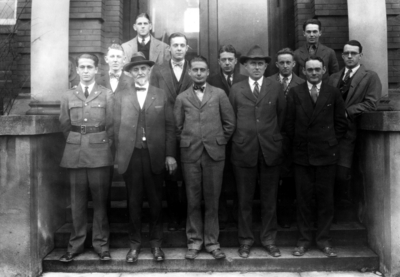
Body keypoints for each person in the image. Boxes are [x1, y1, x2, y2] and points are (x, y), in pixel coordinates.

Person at [113, 52, 177, 263]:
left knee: (156, 201)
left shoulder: (160, 94)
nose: (140, 72)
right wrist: (119, 155)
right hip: (131, 156)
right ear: (130, 73)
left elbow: (170, 126)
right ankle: (134, 245)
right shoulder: (121, 95)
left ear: (149, 71)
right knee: (133, 201)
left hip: (155, 155)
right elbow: (115, 127)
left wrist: (169, 154)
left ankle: (156, 244)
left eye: (143, 69)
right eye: (135, 69)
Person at [174, 55, 235, 260]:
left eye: (202, 70)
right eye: (195, 70)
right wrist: (189, 141)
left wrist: (218, 140)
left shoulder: (219, 94)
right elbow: (177, 127)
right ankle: (194, 242)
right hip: (190, 154)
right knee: (192, 200)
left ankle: (212, 242)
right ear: (190, 72)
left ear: (208, 72)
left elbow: (229, 123)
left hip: (214, 155)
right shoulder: (182, 97)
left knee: (212, 200)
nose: (199, 73)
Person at [285, 56, 347, 257]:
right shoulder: (295, 93)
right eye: (310, 70)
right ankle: (303, 241)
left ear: (323, 71)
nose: (313, 73)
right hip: (302, 155)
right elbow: (289, 124)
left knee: (325, 200)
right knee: (302, 200)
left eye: (317, 69)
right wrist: (300, 144)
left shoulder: (333, 92)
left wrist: (328, 140)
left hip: (326, 155)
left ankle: (323, 240)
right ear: (303, 71)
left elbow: (341, 123)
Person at [229, 45, 286, 259]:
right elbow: (231, 117)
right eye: (252, 63)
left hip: (269, 150)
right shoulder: (236, 88)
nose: (256, 67)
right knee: (244, 200)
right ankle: (245, 241)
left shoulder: (275, 87)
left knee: (269, 199)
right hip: (243, 150)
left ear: (266, 66)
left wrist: (269, 136)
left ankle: (269, 240)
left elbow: (282, 117)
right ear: (244, 66)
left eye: (260, 63)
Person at [59, 53, 114, 262]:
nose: (85, 71)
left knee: (100, 201)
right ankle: (76, 244)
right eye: (81, 67)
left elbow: (111, 126)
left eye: (89, 67)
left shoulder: (106, 94)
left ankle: (101, 245)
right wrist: (76, 141)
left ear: (97, 70)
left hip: (99, 153)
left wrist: (99, 142)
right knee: (77, 201)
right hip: (74, 153)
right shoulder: (68, 96)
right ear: (76, 69)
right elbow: (64, 124)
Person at [328, 40, 381, 206]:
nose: (349, 56)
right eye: (346, 53)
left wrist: (347, 111)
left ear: (360, 55)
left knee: (344, 172)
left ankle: (345, 211)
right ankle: (331, 212)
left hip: (352, 132)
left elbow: (372, 103)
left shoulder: (370, 76)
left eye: (353, 53)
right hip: (331, 133)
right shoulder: (333, 78)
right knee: (329, 172)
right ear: (342, 55)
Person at [150, 32, 193, 231]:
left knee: (188, 174)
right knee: (169, 175)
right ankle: (174, 216)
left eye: (181, 45)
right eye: (174, 45)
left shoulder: (195, 69)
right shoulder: (158, 71)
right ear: (169, 48)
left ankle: (188, 217)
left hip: (190, 129)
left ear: (187, 48)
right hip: (165, 129)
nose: (178, 48)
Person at [207, 44, 246, 229]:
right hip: (218, 138)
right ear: (218, 62)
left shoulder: (244, 80)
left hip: (241, 139)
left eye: (231, 59)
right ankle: (221, 214)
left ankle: (238, 215)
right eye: (224, 59)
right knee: (219, 178)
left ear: (236, 61)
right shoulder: (211, 81)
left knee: (240, 178)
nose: (227, 62)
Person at [266, 48, 305, 228]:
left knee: (288, 178)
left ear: (294, 64)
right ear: (276, 64)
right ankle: (269, 217)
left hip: (292, 137)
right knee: (270, 177)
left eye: (288, 62)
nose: (285, 65)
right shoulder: (267, 82)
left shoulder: (302, 83)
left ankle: (286, 216)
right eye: (281, 62)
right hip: (270, 136)